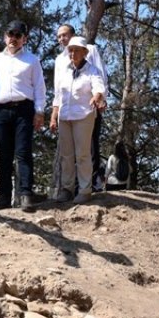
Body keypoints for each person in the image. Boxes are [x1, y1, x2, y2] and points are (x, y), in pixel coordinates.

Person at [0, 20, 46, 212]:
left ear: (24, 39)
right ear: (5, 37)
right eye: (11, 34)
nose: (14, 38)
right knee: (3, 155)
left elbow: (40, 88)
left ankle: (25, 194)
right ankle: (2, 197)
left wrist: (40, 111)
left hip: (24, 110)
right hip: (1, 110)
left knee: (23, 153)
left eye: (18, 35)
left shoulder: (32, 60)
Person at [51, 24, 108, 197]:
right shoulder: (64, 71)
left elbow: (99, 87)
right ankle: (67, 189)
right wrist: (54, 116)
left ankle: (84, 189)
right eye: (70, 50)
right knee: (66, 155)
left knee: (82, 154)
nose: (72, 54)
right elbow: (58, 95)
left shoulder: (92, 70)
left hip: (84, 115)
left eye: (76, 50)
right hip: (64, 116)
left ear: (85, 52)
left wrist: (97, 97)